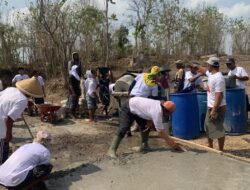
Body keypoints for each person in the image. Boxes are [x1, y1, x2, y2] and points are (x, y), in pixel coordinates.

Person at [107, 97, 180, 158]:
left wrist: (149, 122)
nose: (168, 115)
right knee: (124, 128)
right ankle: (112, 150)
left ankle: (144, 146)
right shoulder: (158, 111)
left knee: (145, 126)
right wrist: (172, 144)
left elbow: (149, 112)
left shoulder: (159, 105)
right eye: (169, 113)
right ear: (166, 111)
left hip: (137, 108)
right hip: (128, 107)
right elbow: (160, 132)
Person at [0, 77, 44, 164]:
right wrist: (9, 134)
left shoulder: (10, 89)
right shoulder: (22, 100)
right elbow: (10, 119)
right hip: (1, 127)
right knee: (2, 153)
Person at [194, 57, 226, 151]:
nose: (207, 66)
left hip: (217, 108)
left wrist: (214, 110)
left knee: (218, 130)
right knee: (208, 127)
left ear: (211, 65)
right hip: (211, 107)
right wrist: (196, 66)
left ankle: (221, 150)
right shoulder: (211, 74)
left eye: (208, 64)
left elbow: (219, 95)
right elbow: (204, 70)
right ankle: (210, 147)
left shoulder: (219, 78)